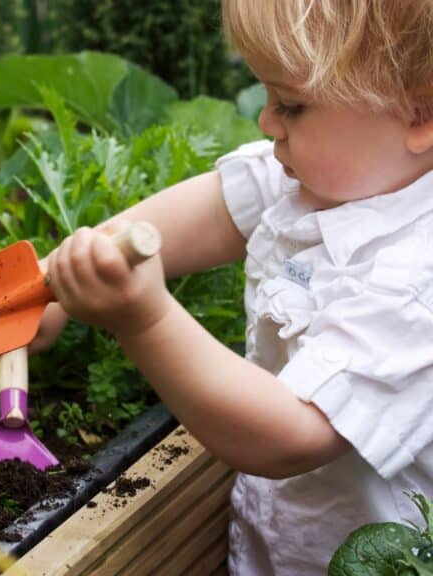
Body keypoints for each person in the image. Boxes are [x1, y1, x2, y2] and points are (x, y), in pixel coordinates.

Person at [29, 1, 433, 573]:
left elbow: (289, 434)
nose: (267, 122)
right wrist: (52, 279)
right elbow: (213, 213)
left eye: (292, 104)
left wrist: (143, 319)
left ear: (420, 111)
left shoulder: (418, 276)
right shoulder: (324, 177)